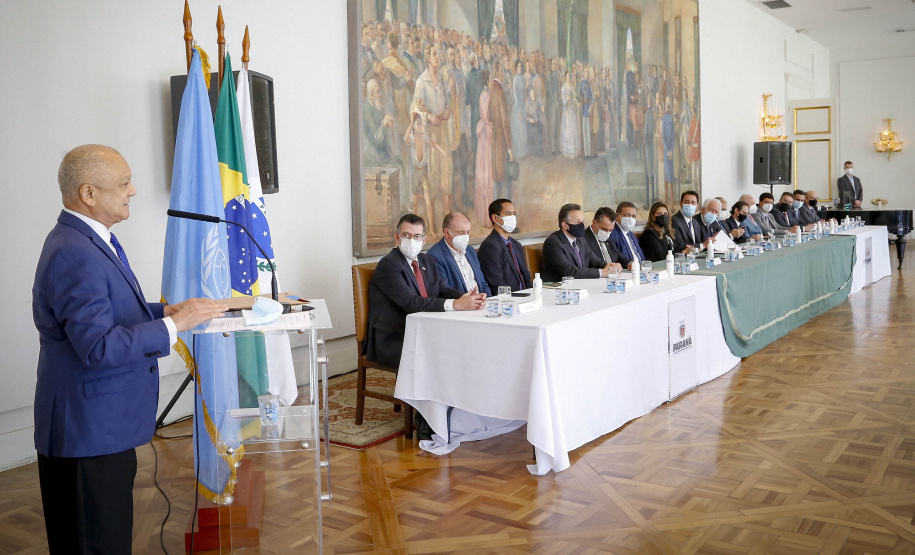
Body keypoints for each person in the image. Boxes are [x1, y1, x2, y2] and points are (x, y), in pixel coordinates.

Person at [33, 145, 228, 553]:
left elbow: (109, 312)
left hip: (101, 426)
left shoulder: (89, 240)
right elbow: (99, 346)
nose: (133, 190)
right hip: (86, 432)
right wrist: (174, 324)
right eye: (123, 183)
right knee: (95, 541)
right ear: (88, 193)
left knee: (106, 535)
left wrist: (163, 311)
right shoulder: (75, 251)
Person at [364, 213, 486, 371]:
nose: (411, 240)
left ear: (424, 240)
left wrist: (469, 297)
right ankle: (430, 394)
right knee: (448, 350)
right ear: (397, 238)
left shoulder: (427, 261)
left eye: (417, 236)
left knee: (465, 343)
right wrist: (456, 304)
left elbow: (442, 289)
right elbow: (411, 302)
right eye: (406, 235)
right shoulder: (389, 264)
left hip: (423, 330)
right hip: (394, 337)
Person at [540, 203, 619, 282]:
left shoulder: (580, 240)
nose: (581, 225)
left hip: (579, 285)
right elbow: (569, 271)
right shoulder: (553, 242)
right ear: (564, 225)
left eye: (582, 221)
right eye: (577, 222)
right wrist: (602, 272)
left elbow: (595, 261)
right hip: (558, 288)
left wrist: (611, 266)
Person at [427, 211, 492, 296]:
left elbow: (482, 283)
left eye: (468, 232)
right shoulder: (434, 256)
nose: (466, 236)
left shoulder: (470, 251)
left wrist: (488, 300)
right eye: (461, 232)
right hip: (460, 306)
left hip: (481, 304)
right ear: (447, 233)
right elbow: (444, 291)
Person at [477, 198, 532, 291]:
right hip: (509, 300)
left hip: (527, 297)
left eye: (514, 214)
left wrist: (532, 294)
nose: (513, 217)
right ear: (495, 218)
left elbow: (526, 276)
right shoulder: (489, 247)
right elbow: (497, 284)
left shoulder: (516, 245)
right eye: (508, 214)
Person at [489, 62, 514, 199]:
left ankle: (495, 213)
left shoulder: (491, 92)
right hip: (502, 142)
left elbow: (488, 116)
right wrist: (510, 148)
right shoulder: (501, 93)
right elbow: (506, 123)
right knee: (505, 177)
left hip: (494, 139)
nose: (503, 74)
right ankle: (508, 213)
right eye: (502, 71)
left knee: (496, 178)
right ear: (497, 73)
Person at [611, 201, 646, 270]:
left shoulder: (631, 235)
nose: (631, 219)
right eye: (627, 215)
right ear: (617, 216)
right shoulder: (612, 234)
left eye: (633, 216)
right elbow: (617, 258)